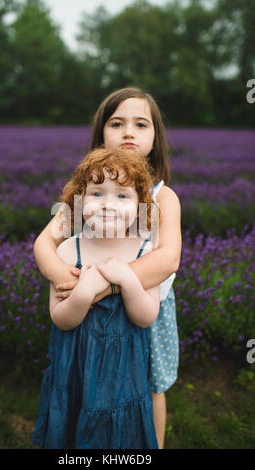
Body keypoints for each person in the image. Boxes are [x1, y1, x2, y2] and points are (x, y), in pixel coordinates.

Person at [33, 87, 182, 449]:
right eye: (117, 123)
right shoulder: (89, 190)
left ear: (154, 138)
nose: (128, 132)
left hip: (145, 303)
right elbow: (45, 242)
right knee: (87, 382)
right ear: (102, 133)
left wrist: (108, 287)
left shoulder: (158, 196)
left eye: (140, 124)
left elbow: (167, 258)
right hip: (85, 308)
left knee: (149, 384)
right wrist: (65, 279)